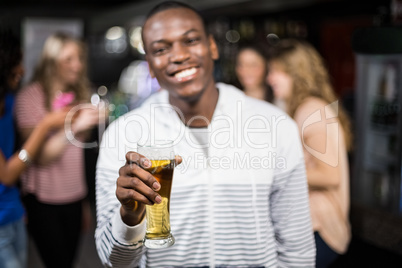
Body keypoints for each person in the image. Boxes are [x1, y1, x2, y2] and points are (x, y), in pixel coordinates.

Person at [95, 2, 315, 267]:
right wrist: (129, 218)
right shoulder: (123, 134)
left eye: (190, 40)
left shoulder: (275, 125)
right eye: (161, 49)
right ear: (150, 66)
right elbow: (114, 262)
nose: (178, 55)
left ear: (212, 47)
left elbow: (297, 245)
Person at [14, 32, 104, 268]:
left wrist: (84, 202)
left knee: (69, 261)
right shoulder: (29, 97)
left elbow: (78, 156)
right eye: (69, 59)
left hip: (74, 196)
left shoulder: (80, 95)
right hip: (43, 200)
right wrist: (76, 126)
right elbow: (41, 158)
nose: (77, 65)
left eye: (80, 58)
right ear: (51, 61)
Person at [266, 38, 352, 267]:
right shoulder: (305, 107)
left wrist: (270, 173)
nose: (269, 78)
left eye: (276, 71)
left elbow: (330, 176)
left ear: (297, 72)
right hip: (313, 226)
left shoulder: (310, 110)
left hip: (321, 228)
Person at [0, 28, 69, 268]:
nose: (22, 70)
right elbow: (7, 175)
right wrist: (46, 124)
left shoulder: (9, 100)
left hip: (14, 213)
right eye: (15, 62)